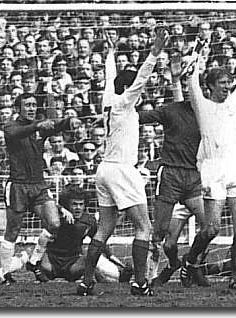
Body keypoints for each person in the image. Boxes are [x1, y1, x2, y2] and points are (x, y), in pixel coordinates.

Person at [77, 28, 167, 297]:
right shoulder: (125, 103)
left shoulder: (110, 99)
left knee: (105, 227)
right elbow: (139, 80)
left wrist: (111, 53)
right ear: (128, 89)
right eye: (135, 91)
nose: (140, 95)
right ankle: (140, 282)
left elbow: (109, 78)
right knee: (143, 227)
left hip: (104, 169)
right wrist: (154, 53)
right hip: (121, 169)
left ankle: (86, 281)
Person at [138, 50, 213, 287]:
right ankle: (156, 273)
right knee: (160, 233)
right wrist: (119, 108)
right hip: (170, 174)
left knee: (210, 227)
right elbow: (140, 117)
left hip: (194, 177)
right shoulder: (171, 110)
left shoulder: (208, 115)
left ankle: (192, 264)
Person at [187, 33, 236, 289]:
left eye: (229, 82)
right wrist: (199, 49)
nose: (228, 86)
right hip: (213, 169)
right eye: (223, 82)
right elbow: (191, 77)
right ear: (211, 86)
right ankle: (191, 262)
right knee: (212, 228)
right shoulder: (202, 106)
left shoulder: (234, 103)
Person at [0, 92, 79, 285]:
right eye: (27, 105)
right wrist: (37, 125)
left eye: (34, 105)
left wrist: (70, 122)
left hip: (39, 185)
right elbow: (15, 134)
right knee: (13, 230)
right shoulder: (12, 126)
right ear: (18, 108)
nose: (32, 108)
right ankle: (5, 273)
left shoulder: (40, 127)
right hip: (17, 185)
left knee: (54, 224)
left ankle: (33, 261)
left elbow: (56, 125)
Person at [0, 187, 133, 284]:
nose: (77, 207)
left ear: (85, 205)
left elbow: (101, 245)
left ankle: (119, 276)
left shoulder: (89, 221)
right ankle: (0, 274)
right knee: (27, 252)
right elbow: (37, 205)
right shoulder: (56, 217)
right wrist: (60, 208)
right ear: (67, 204)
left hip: (73, 265)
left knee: (92, 255)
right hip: (50, 263)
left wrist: (117, 262)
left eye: (80, 204)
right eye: (74, 204)